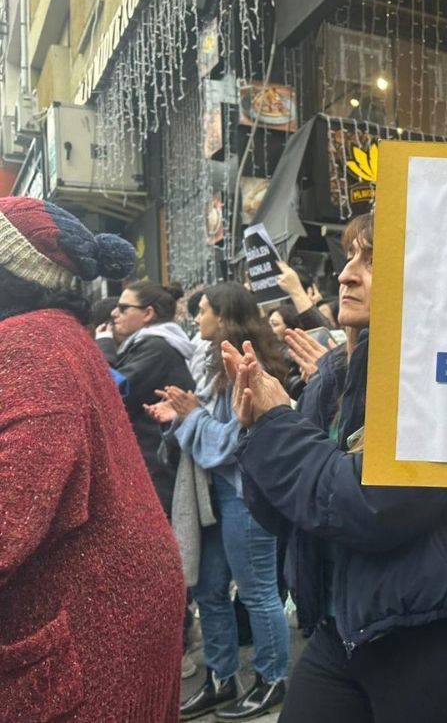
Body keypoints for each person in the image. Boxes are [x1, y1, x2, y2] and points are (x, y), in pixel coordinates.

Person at [225, 213, 447, 722]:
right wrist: (256, 426)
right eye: (350, 257)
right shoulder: (334, 376)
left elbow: (369, 505)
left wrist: (276, 426)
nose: (346, 275)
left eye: (372, 261)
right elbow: (287, 514)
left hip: (437, 638)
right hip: (342, 631)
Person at [0, 197, 184, 721]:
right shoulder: (56, 336)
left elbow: (12, 511)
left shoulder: (30, 344)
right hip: (114, 603)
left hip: (93, 620)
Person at [148, 283, 292, 721]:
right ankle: (221, 678)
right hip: (210, 495)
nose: (196, 318)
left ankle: (272, 679)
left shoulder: (249, 366)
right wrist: (182, 416)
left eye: (204, 310)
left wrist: (192, 417)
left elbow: (235, 440)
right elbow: (208, 426)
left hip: (245, 493)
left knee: (257, 592)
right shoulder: (210, 361)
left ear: (225, 316)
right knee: (208, 590)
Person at [96, 279, 196, 514]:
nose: (114, 314)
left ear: (148, 313)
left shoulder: (156, 348)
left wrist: (105, 347)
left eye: (123, 308)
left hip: (156, 467)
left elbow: (109, 391)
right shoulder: (145, 345)